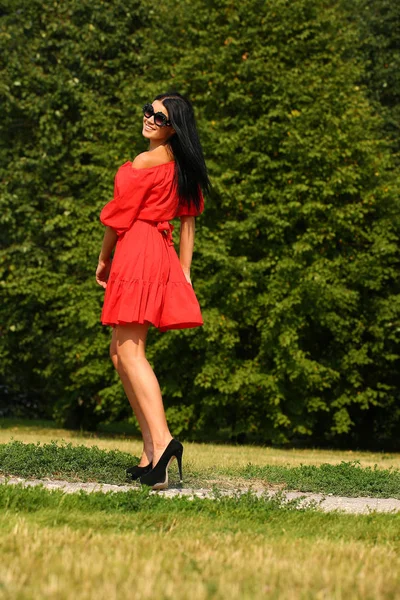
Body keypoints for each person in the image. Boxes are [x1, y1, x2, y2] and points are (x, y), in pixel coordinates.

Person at [95, 92, 210, 491]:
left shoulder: (141, 165)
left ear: (173, 128)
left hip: (137, 251)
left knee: (130, 351)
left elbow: (116, 218)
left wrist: (104, 259)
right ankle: (150, 451)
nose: (149, 119)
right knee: (119, 352)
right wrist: (184, 271)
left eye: (158, 118)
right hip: (157, 254)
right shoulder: (181, 168)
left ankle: (162, 444)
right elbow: (188, 222)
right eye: (148, 111)